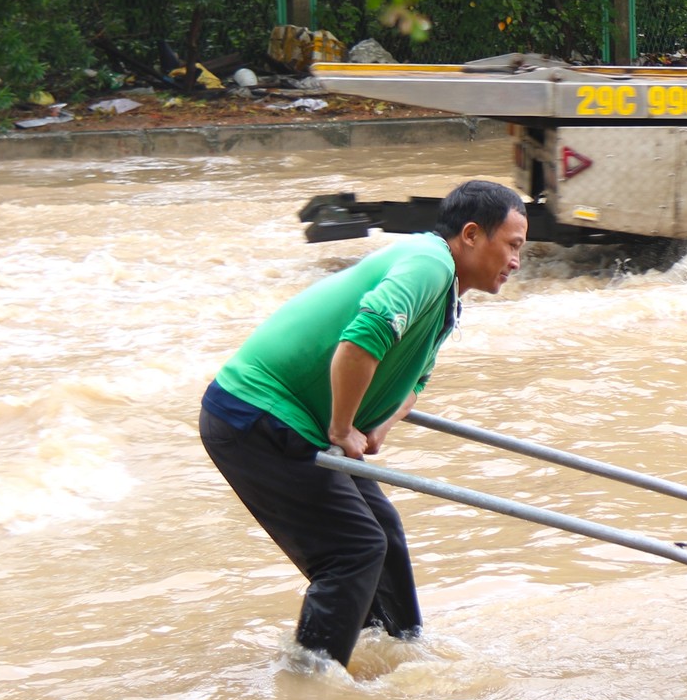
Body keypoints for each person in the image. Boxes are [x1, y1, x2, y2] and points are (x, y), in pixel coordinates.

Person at [198, 180, 528, 666]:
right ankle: (311, 681)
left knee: (382, 533)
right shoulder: (429, 264)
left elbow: (414, 382)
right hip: (257, 412)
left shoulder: (445, 293)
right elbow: (358, 343)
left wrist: (378, 426)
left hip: (285, 419)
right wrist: (341, 428)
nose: (517, 261)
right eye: (513, 245)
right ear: (472, 234)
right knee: (353, 550)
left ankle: (396, 655)